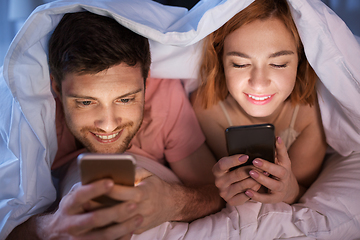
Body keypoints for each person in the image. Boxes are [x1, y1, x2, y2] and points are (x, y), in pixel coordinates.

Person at [6, 11, 223, 239]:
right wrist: (52, 225)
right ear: (57, 88)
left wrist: (173, 202)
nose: (108, 125)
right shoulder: (35, 118)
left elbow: (214, 192)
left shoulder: (164, 98)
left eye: (126, 99)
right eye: (86, 102)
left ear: (146, 80)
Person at [191, 0, 327, 206]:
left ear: (300, 61)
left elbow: (307, 190)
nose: (259, 83)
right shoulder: (207, 106)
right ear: (221, 62)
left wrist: (291, 190)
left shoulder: (312, 113)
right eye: (240, 64)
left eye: (278, 64)